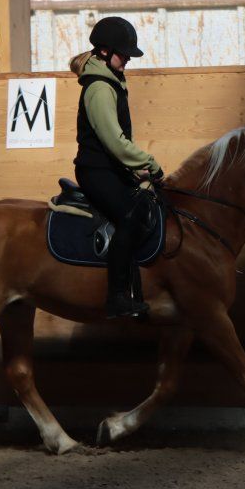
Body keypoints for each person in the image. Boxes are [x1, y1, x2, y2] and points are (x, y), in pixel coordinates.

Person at [70, 16, 163, 319]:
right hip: (96, 171)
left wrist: (135, 171)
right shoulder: (99, 87)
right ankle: (117, 297)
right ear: (104, 52)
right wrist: (149, 163)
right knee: (131, 216)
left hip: (111, 169)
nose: (127, 61)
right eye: (124, 55)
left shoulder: (112, 82)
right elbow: (114, 141)